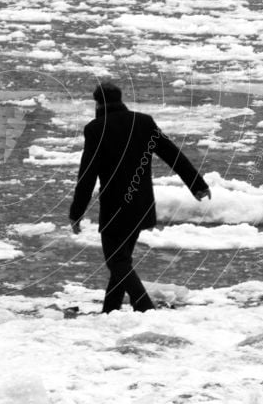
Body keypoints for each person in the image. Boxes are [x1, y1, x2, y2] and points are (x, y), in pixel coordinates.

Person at [69, 82, 211, 313]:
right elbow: (171, 152)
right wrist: (197, 184)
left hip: (115, 207)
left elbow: (87, 175)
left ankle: (145, 307)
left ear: (97, 102)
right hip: (141, 204)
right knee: (121, 259)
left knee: (117, 261)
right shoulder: (143, 122)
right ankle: (110, 311)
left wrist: (76, 213)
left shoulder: (96, 128)